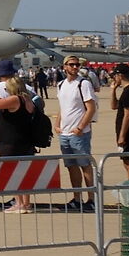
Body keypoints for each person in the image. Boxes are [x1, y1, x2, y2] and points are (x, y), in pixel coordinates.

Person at [55, 56, 97, 206]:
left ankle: (92, 199)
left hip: (79, 133)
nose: (75, 67)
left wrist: (80, 127)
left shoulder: (83, 84)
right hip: (65, 133)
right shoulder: (61, 84)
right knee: (71, 166)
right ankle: (77, 198)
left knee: (85, 164)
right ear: (64, 66)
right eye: (71, 65)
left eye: (77, 65)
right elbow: (63, 107)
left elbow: (91, 108)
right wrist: (57, 123)